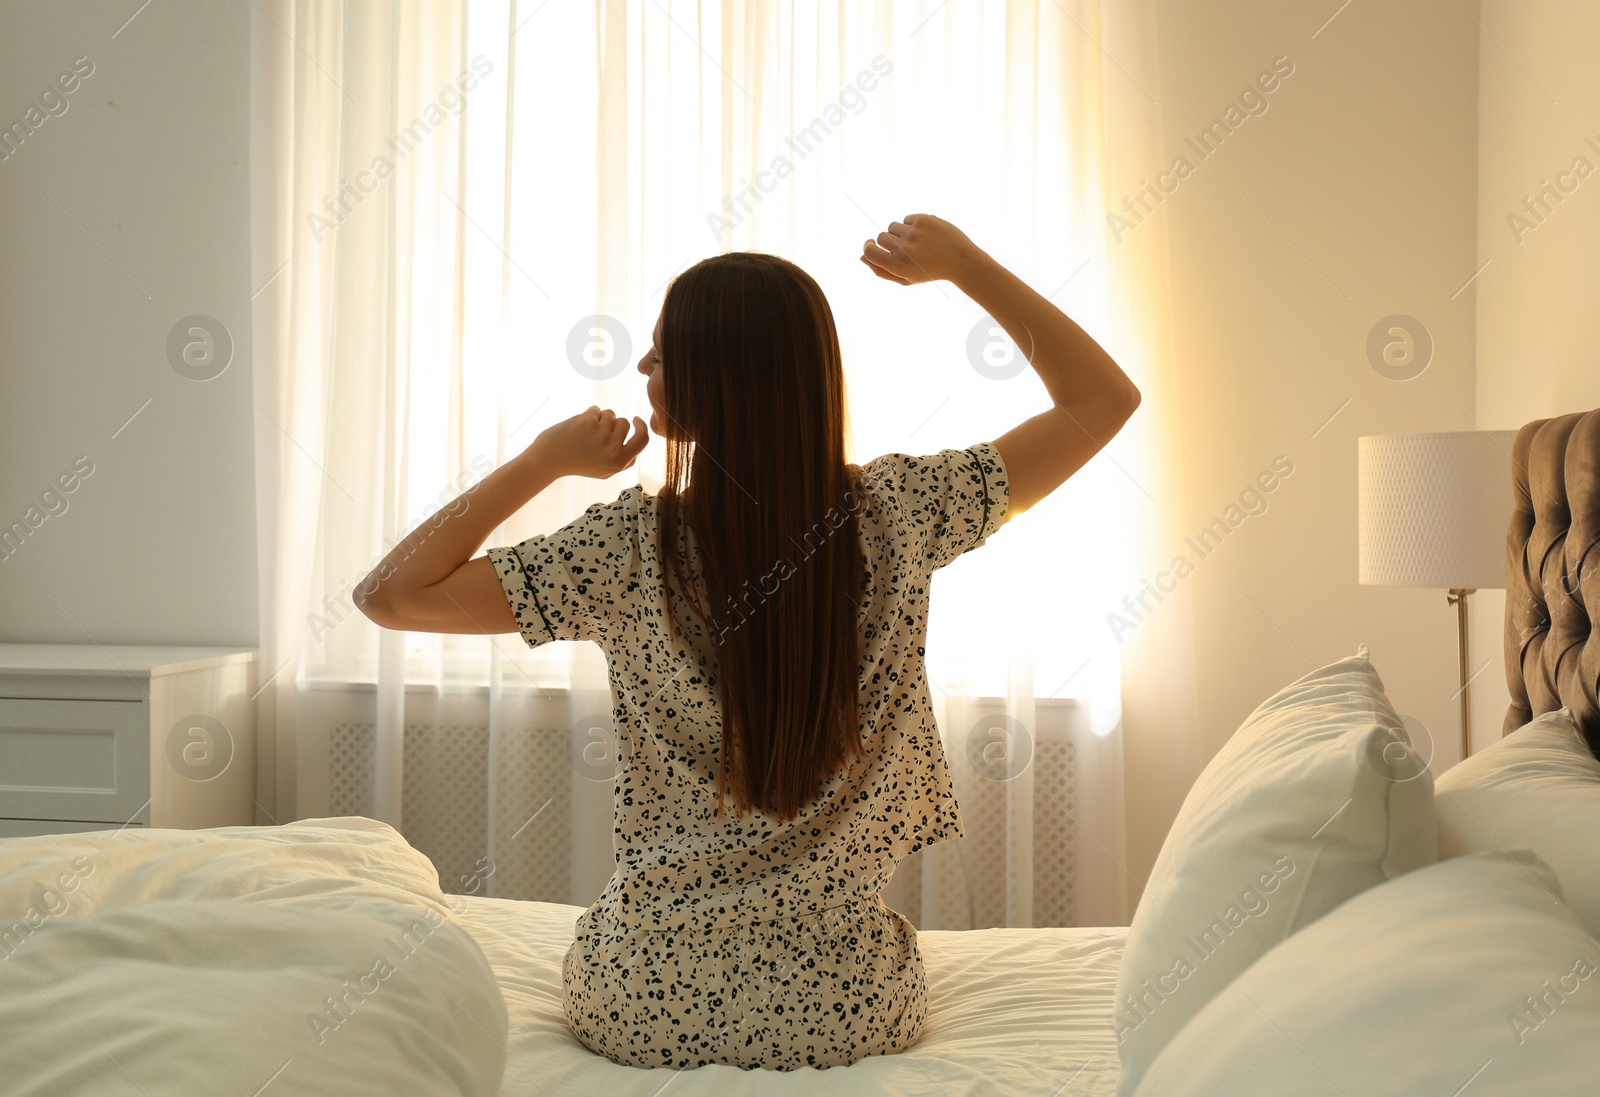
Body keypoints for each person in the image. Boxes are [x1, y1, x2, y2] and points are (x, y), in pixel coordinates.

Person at [354, 213, 1141, 1071]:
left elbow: (390, 594)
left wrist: (543, 461)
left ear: (719, 379)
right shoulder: (905, 512)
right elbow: (1103, 401)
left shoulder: (624, 550)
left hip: (638, 1000)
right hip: (847, 1008)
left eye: (663, 352)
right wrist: (965, 266)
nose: (645, 367)